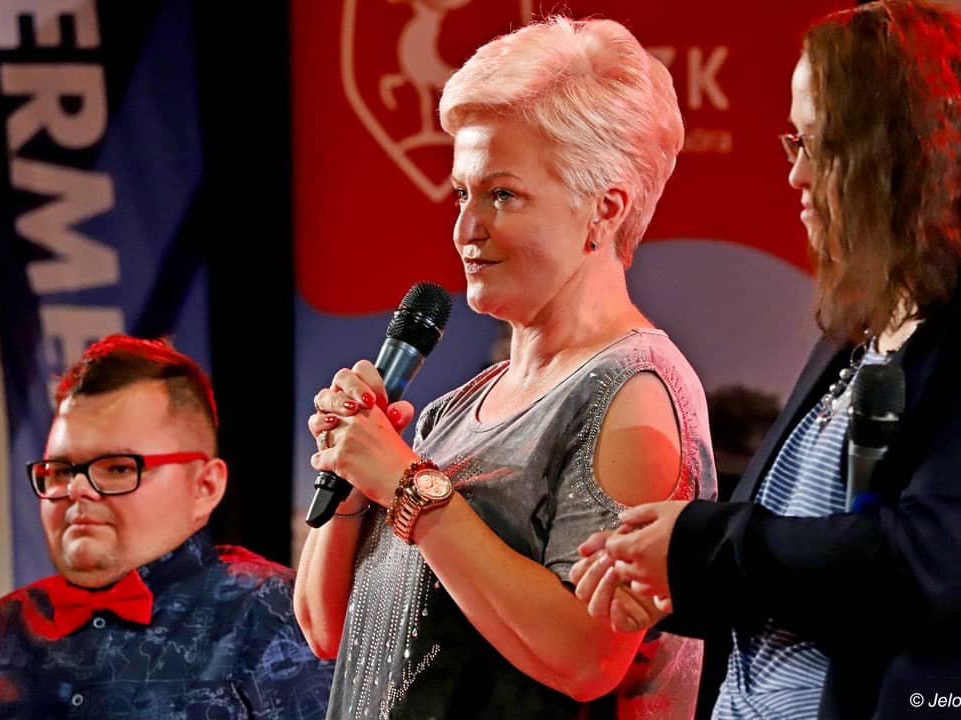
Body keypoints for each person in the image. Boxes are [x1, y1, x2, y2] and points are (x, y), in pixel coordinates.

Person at [572, 1, 961, 718]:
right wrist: (672, 584)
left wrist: (697, 545)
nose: (796, 176)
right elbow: (804, 566)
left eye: (819, 146)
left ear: (903, 155)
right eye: (791, 144)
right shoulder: (857, 329)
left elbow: (923, 561)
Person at [294, 15, 716, 720]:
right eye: (462, 193)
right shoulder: (451, 412)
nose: (465, 229)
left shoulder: (634, 392)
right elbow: (327, 629)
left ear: (604, 209)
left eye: (502, 194)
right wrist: (354, 471)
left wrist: (407, 485)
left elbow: (587, 657)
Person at [0, 335, 334, 719]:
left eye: (118, 468)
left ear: (205, 486)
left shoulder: (273, 614)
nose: (77, 489)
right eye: (60, 471)